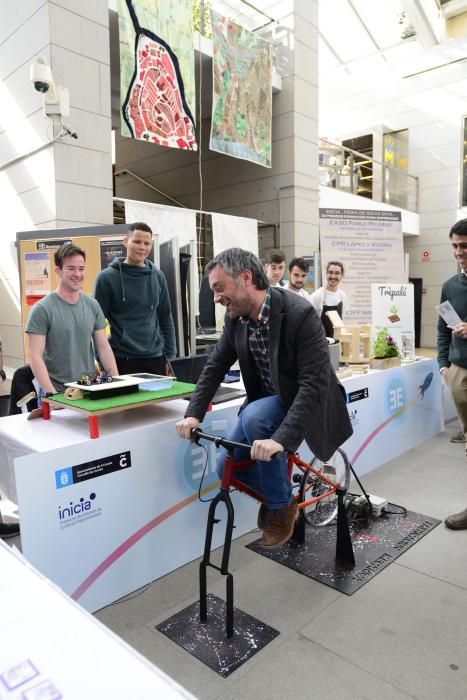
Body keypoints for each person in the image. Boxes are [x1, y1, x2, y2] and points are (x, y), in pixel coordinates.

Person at [176, 248, 352, 549]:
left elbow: (313, 384)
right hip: (269, 401)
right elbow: (215, 366)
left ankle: (281, 505)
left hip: (308, 398)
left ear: (246, 278)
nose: (216, 299)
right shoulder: (236, 319)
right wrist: (194, 414)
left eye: (220, 288)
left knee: (255, 416)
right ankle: (280, 497)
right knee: (225, 465)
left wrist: (281, 439)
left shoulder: (300, 314)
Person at [26, 243, 118, 398]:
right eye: (71, 268)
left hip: (88, 389)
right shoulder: (41, 309)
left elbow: (103, 348)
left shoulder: (92, 305)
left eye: (81, 269)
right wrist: (51, 395)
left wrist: (117, 382)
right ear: (58, 271)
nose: (77, 274)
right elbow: (35, 356)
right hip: (57, 391)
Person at [94, 222, 176, 375]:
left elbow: (166, 318)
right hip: (121, 360)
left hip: (156, 358)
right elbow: (96, 325)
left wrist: (171, 358)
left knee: (159, 400)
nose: (142, 247)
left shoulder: (158, 276)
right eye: (137, 241)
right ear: (126, 242)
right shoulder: (106, 278)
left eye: (147, 243)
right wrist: (102, 361)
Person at [438, 218, 467, 530]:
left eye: (464, 246)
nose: (459, 251)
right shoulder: (449, 286)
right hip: (459, 373)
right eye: (456, 246)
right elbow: (442, 330)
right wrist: (444, 367)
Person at [310, 261, 347, 338]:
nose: (333, 276)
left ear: (341, 275)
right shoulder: (317, 296)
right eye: (330, 272)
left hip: (337, 340)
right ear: (326, 274)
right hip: (319, 340)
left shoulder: (342, 296)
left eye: (337, 273)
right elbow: (309, 322)